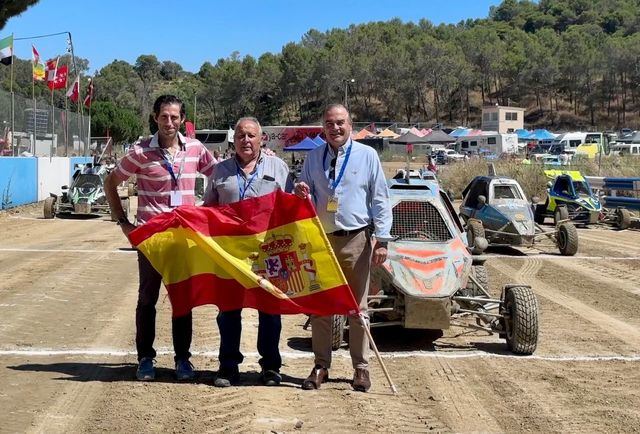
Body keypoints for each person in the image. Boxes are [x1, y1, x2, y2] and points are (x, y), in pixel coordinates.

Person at [105, 95, 216, 382]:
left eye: (175, 117)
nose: (169, 122)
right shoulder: (140, 152)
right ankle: (145, 358)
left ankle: (183, 360)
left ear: (182, 119)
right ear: (155, 117)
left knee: (183, 300)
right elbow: (111, 183)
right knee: (147, 299)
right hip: (151, 239)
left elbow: (221, 174)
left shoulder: (195, 148)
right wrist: (123, 223)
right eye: (164, 116)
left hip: (184, 240)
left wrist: (256, 157)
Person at [294, 104, 392, 393]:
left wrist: (382, 240)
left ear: (350, 125)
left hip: (357, 240)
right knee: (321, 307)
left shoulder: (368, 156)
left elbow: (380, 199)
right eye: (329, 123)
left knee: (357, 308)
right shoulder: (313, 157)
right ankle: (321, 365)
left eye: (340, 123)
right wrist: (300, 190)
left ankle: (361, 368)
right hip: (322, 241)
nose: (334, 128)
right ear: (323, 127)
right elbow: (305, 189)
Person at [203, 117, 293, 388]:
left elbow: (289, 208)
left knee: (270, 311)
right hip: (231, 255)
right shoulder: (219, 171)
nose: (246, 140)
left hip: (269, 253)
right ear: (234, 140)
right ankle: (228, 366)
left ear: (261, 139)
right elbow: (209, 209)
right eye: (241, 135)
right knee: (228, 311)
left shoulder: (279, 168)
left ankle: (270, 367)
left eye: (251, 135)